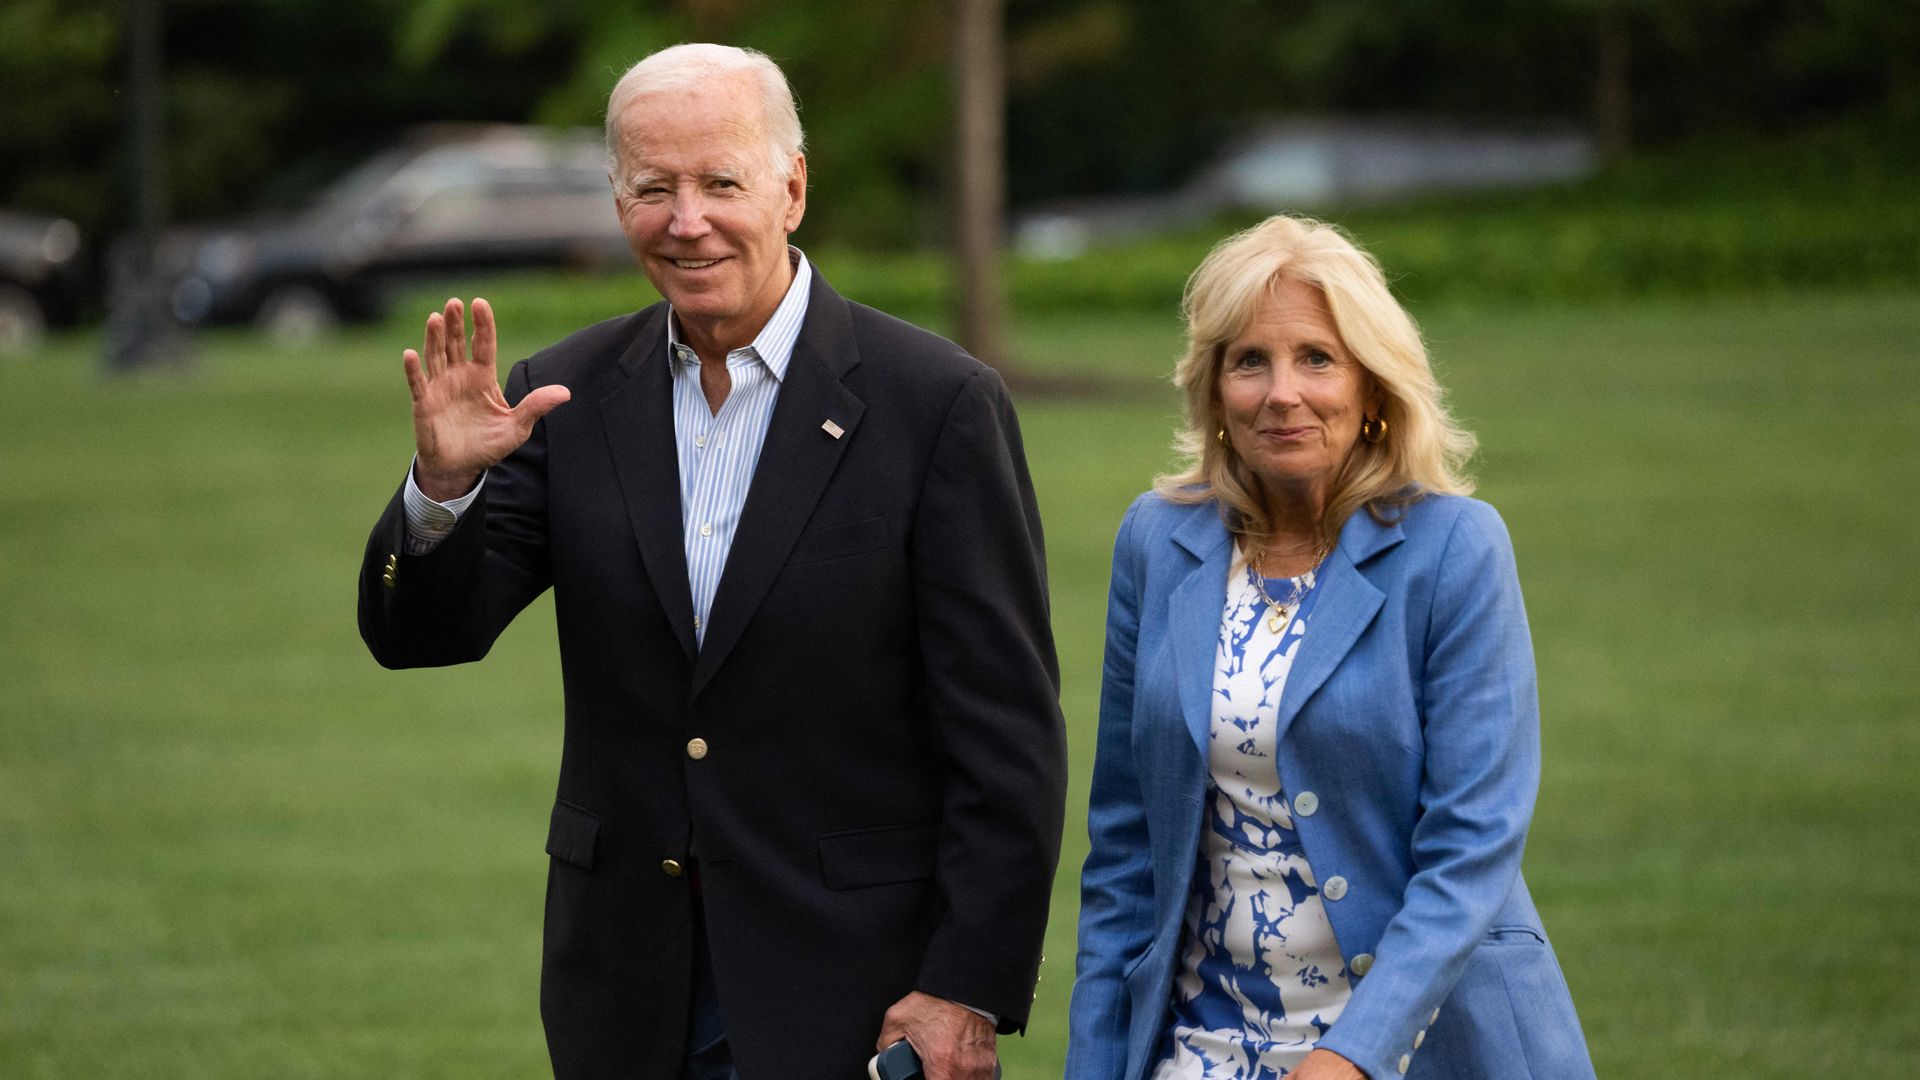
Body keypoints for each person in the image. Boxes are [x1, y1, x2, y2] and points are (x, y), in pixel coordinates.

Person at [357, 44, 1065, 1080]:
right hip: (626, 991)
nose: (687, 221)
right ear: (618, 201)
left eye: (721, 183)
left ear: (793, 188)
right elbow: (421, 637)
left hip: (853, 992)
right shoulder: (564, 397)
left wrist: (968, 985)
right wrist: (444, 489)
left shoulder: (936, 404)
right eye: (654, 189)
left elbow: (1006, 737)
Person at [1064, 215, 1594, 1080]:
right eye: (1250, 361)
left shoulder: (1456, 548)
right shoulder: (1157, 542)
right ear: (1214, 391)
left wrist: (1349, 1057)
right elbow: (1124, 855)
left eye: (1317, 358)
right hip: (1201, 1047)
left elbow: (1473, 848)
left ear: (1373, 389)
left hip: (1418, 1046)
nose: (1283, 393)